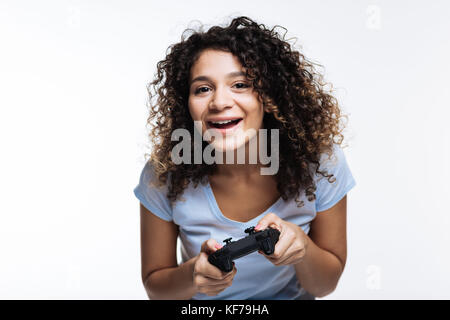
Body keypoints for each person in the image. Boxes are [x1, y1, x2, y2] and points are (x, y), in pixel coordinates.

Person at [133, 16, 356, 300]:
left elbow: (325, 285)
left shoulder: (321, 163)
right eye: (203, 88)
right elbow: (156, 288)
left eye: (240, 84)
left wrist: (303, 249)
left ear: (270, 95)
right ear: (185, 103)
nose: (219, 102)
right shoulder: (165, 173)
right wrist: (193, 275)